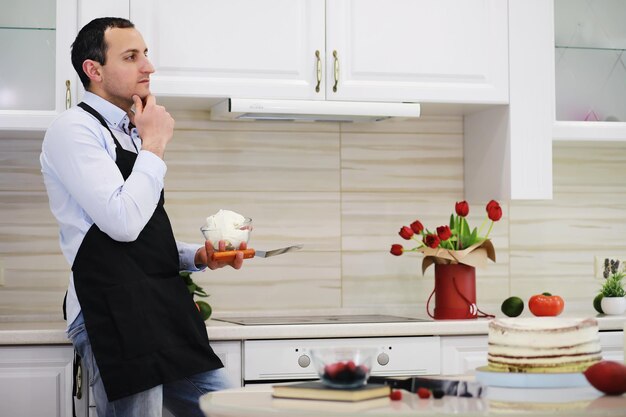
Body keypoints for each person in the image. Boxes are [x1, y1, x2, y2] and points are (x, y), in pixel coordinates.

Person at [40, 17, 246, 417]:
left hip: (161, 306)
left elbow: (142, 233)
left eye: (146, 54)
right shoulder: (74, 130)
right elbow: (121, 221)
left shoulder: (129, 131)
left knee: (226, 409)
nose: (148, 66)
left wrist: (197, 257)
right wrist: (154, 144)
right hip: (113, 310)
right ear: (93, 70)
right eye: (132, 56)